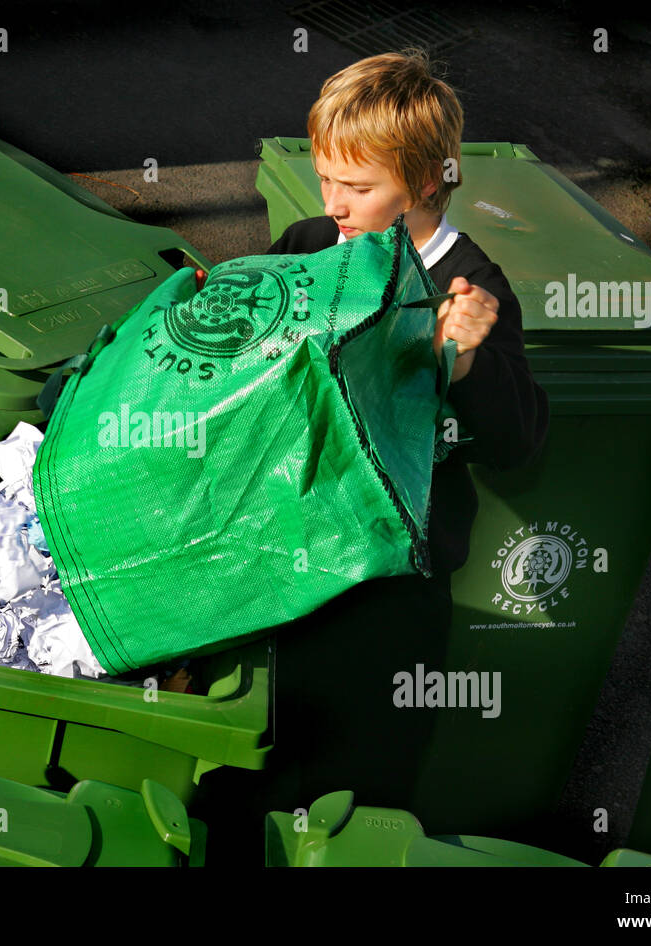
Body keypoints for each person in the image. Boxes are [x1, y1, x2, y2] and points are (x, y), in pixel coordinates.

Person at [195, 52, 550, 858]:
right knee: (244, 763)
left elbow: (520, 445)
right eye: (325, 179)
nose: (333, 204)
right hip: (281, 557)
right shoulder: (315, 241)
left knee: (357, 795)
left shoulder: (469, 285)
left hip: (388, 596)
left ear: (427, 181)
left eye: (357, 189)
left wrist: (467, 361)